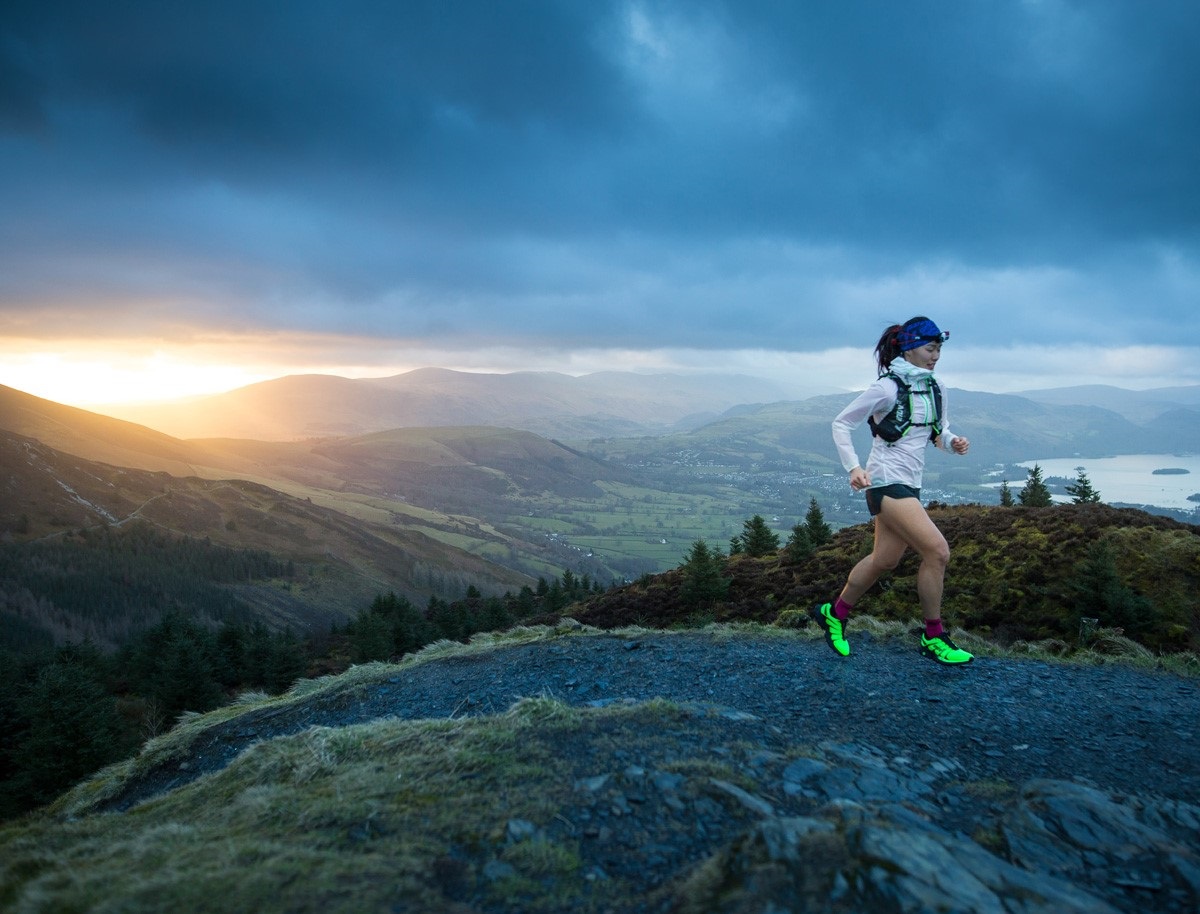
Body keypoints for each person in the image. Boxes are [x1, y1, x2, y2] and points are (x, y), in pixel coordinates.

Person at [813, 316, 974, 664]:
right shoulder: (886, 388)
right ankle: (933, 636)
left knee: (885, 561)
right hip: (886, 483)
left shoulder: (936, 387)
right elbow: (841, 423)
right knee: (938, 552)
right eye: (931, 349)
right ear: (909, 347)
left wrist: (952, 442)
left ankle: (834, 613)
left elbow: (935, 431)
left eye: (939, 350)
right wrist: (854, 467)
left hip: (910, 484)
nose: (936, 356)